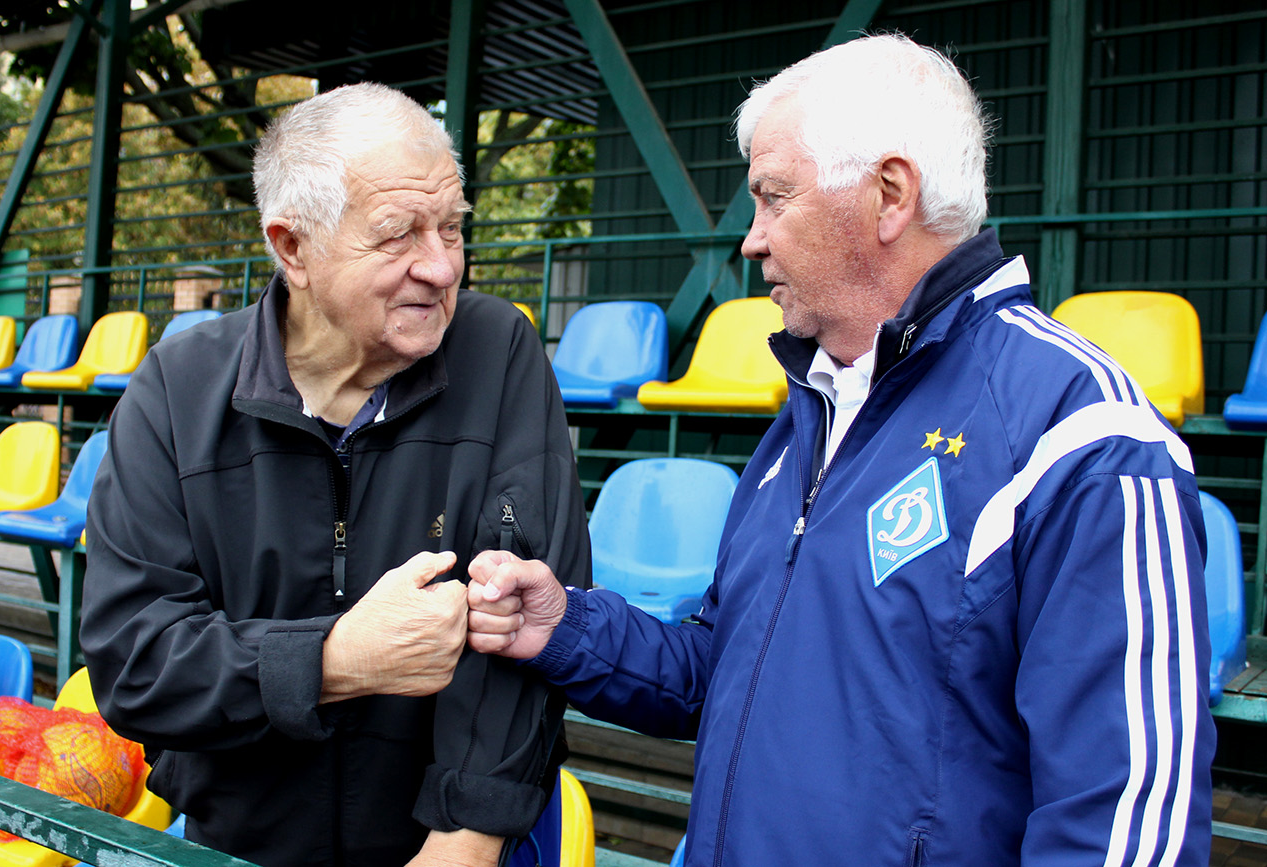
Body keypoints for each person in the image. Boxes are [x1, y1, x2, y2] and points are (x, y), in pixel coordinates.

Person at [466, 34, 1214, 867]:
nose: (751, 240)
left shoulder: (1080, 431)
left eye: (773, 197)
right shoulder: (810, 414)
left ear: (889, 195)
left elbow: (1123, 826)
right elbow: (724, 671)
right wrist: (568, 627)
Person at [81, 83, 590, 867]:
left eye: (452, 227)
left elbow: (527, 621)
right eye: (398, 235)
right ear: (293, 248)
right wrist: (334, 658)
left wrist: (465, 839)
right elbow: (136, 661)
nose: (442, 266)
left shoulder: (499, 350)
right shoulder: (175, 391)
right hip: (243, 841)